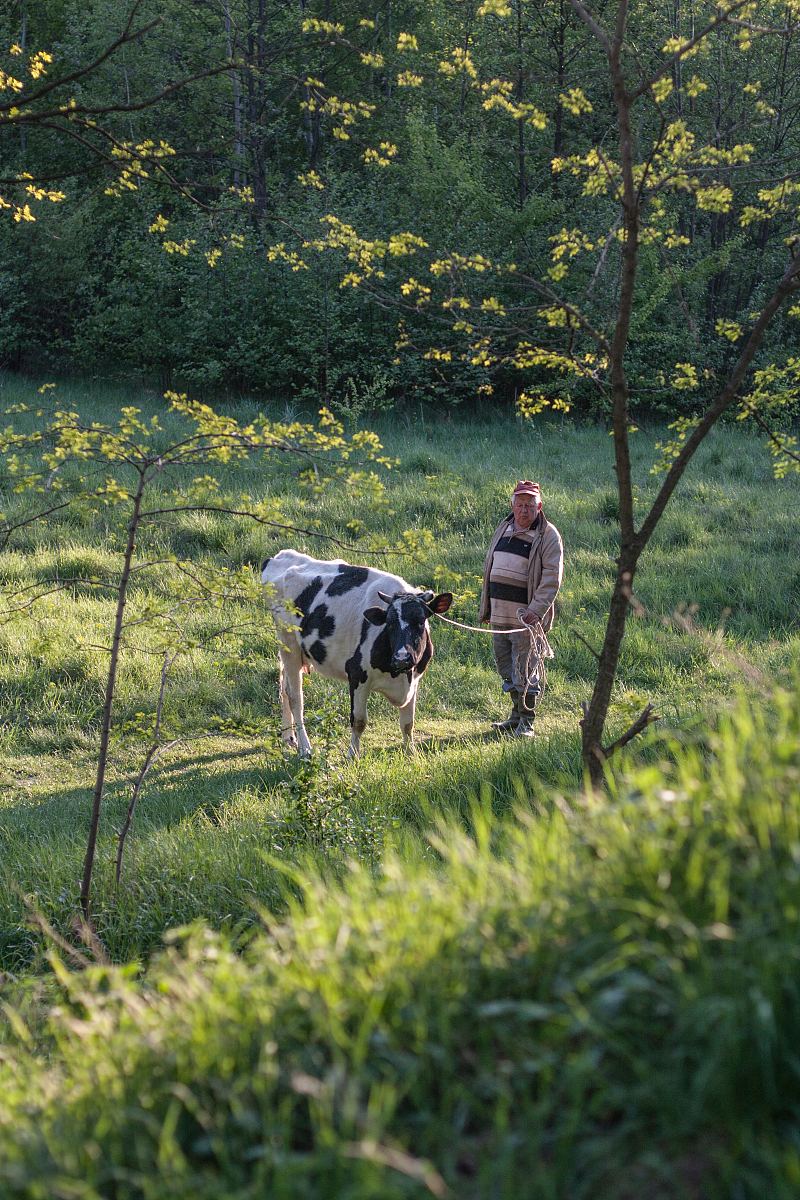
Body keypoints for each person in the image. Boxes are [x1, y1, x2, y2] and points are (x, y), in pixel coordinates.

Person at [479, 480, 564, 737]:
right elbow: (490, 566)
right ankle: (515, 718)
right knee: (506, 667)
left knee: (526, 671)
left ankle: (527, 723)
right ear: (512, 505)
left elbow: (552, 578)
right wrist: (488, 607)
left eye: (529, 505)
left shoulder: (548, 535)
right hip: (500, 615)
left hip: (526, 619)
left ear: (539, 506)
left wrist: (536, 611)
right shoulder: (504, 527)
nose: (524, 510)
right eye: (520, 504)